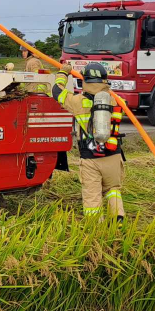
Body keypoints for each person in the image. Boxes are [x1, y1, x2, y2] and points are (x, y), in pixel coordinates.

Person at [51, 62, 126, 220]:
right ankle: (118, 222)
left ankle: (95, 229)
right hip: (113, 156)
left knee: (92, 197)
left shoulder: (78, 102)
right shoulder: (116, 100)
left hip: (91, 159)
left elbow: (57, 92)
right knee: (113, 189)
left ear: (84, 81)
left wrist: (63, 73)